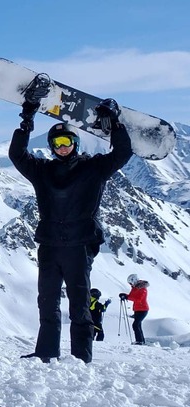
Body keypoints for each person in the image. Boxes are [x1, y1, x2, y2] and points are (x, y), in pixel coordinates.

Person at [11, 96, 133, 363]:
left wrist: (114, 124)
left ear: (75, 143)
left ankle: (81, 357)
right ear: (51, 147)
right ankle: (46, 353)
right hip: (50, 246)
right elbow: (17, 156)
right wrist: (26, 123)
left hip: (79, 247)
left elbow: (122, 153)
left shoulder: (94, 168)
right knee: (47, 302)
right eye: (57, 143)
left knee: (80, 305)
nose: (62, 147)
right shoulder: (42, 170)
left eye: (66, 141)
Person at [120, 274, 149, 345]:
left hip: (143, 309)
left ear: (134, 280)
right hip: (137, 309)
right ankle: (141, 341)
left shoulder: (143, 288)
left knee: (135, 325)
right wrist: (125, 295)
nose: (130, 284)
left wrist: (127, 297)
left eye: (130, 283)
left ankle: (139, 341)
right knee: (138, 325)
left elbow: (138, 299)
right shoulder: (135, 288)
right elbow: (131, 296)